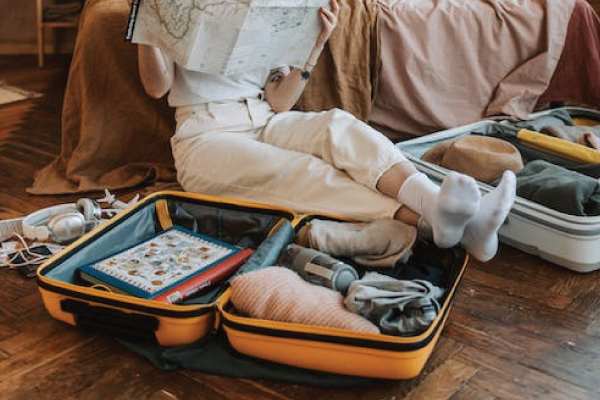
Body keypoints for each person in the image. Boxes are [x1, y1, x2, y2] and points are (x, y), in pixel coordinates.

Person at [125, 0, 516, 262]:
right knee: (302, 171)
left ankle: (443, 207)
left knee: (337, 126)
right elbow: (157, 87)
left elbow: (279, 102)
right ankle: (443, 224)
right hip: (205, 137)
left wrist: (314, 45)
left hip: (264, 117)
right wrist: (147, 24)